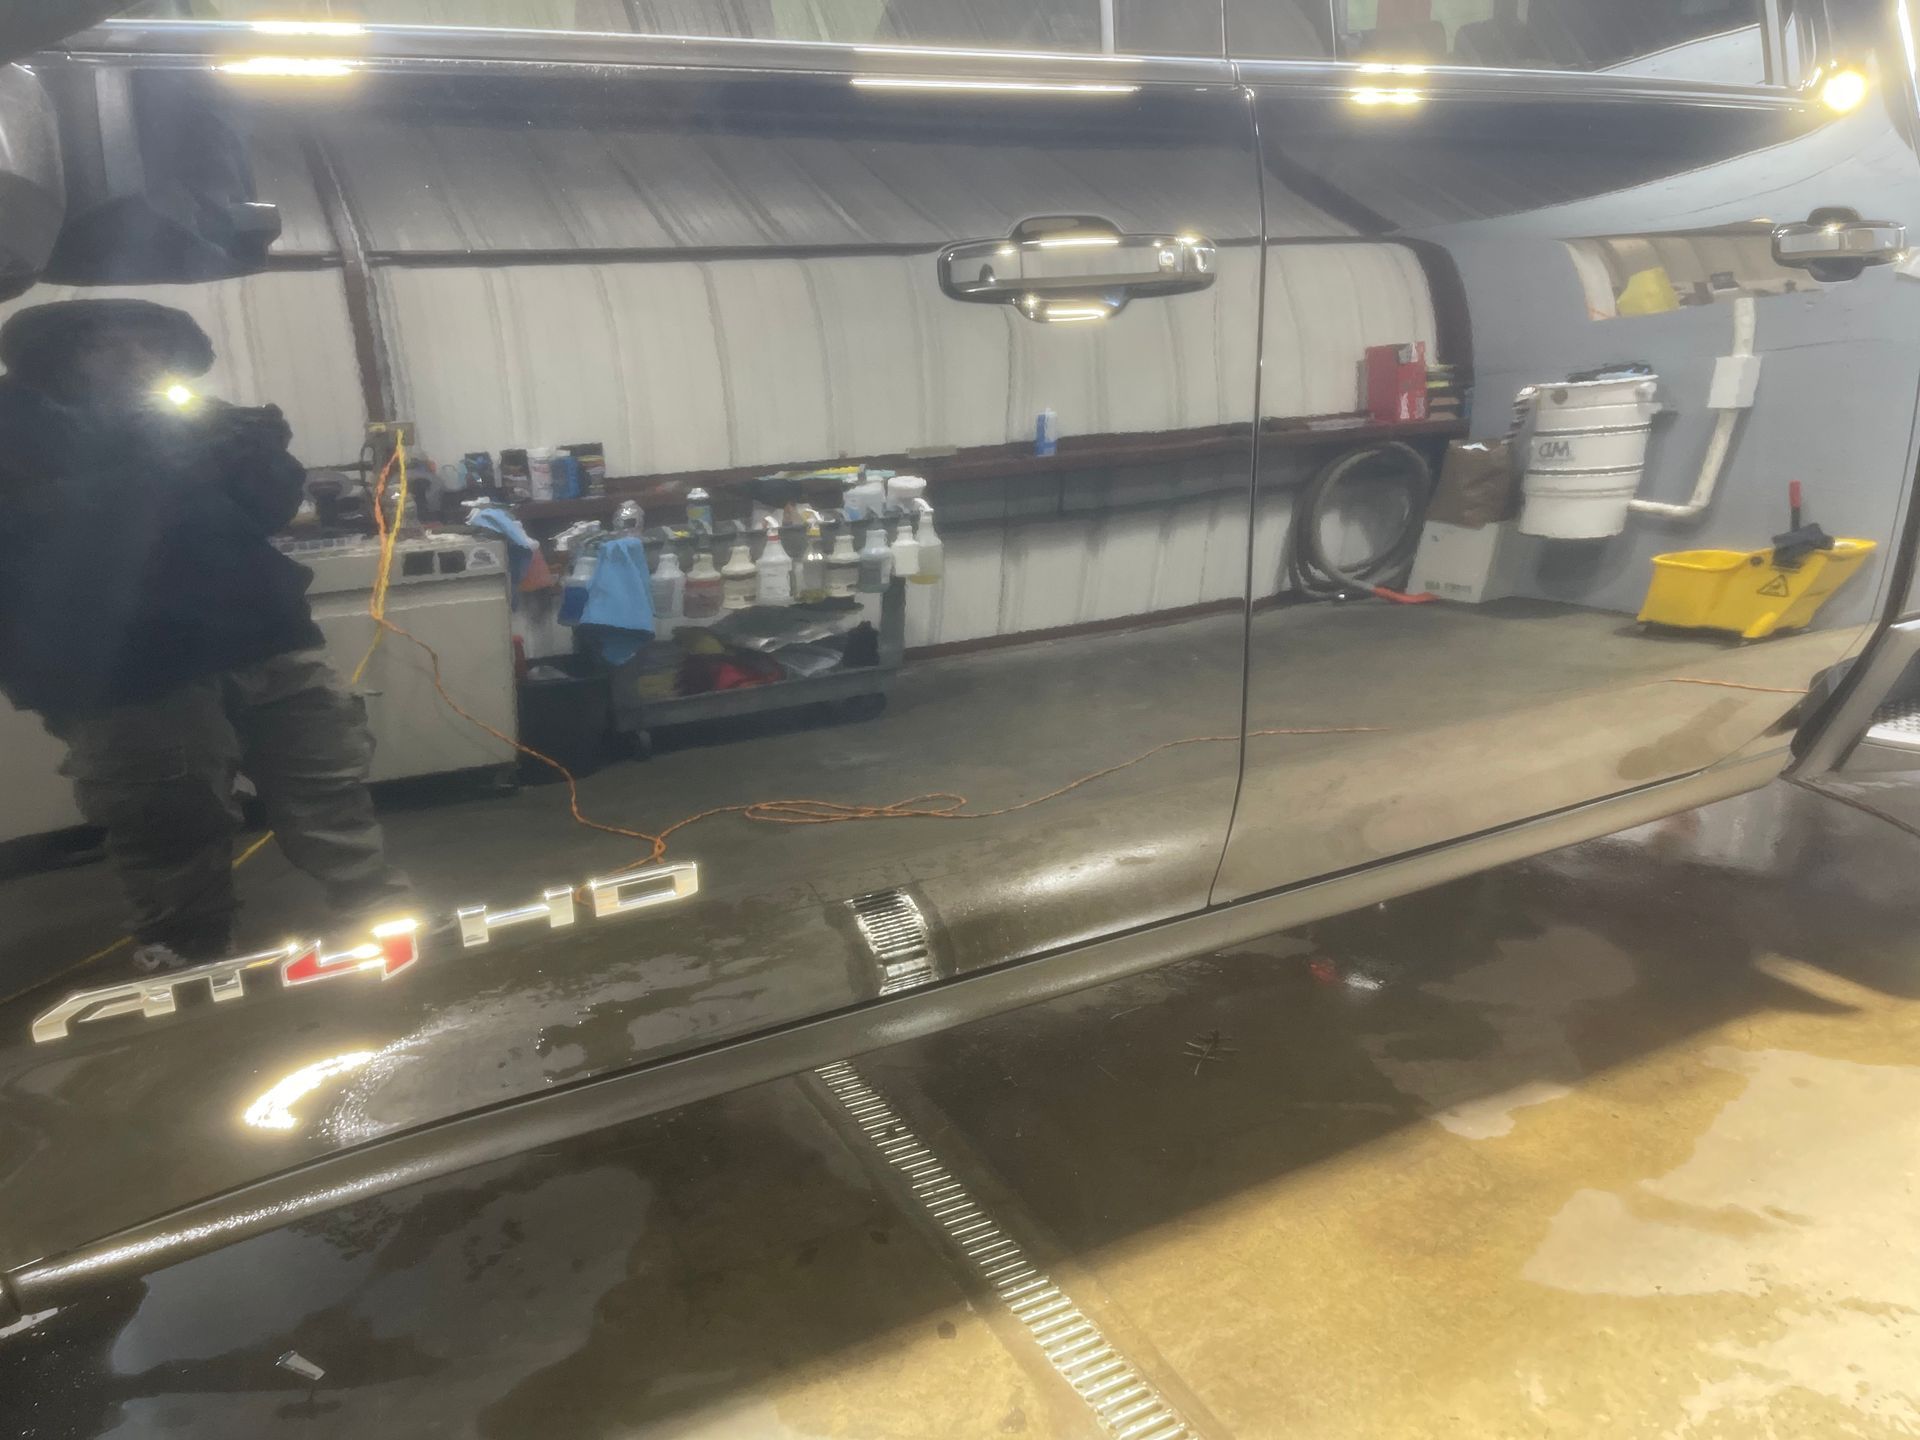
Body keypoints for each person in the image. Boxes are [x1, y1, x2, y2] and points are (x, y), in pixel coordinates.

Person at [0, 298, 410, 971]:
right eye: (115, 347)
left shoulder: (182, 416)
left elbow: (263, 511)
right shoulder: (13, 427)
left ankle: (378, 915)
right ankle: (188, 955)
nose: (140, 361)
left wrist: (266, 459)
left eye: (153, 348)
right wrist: (159, 471)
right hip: (124, 667)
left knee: (327, 782)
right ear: (63, 357)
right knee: (167, 814)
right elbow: (29, 531)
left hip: (263, 633)